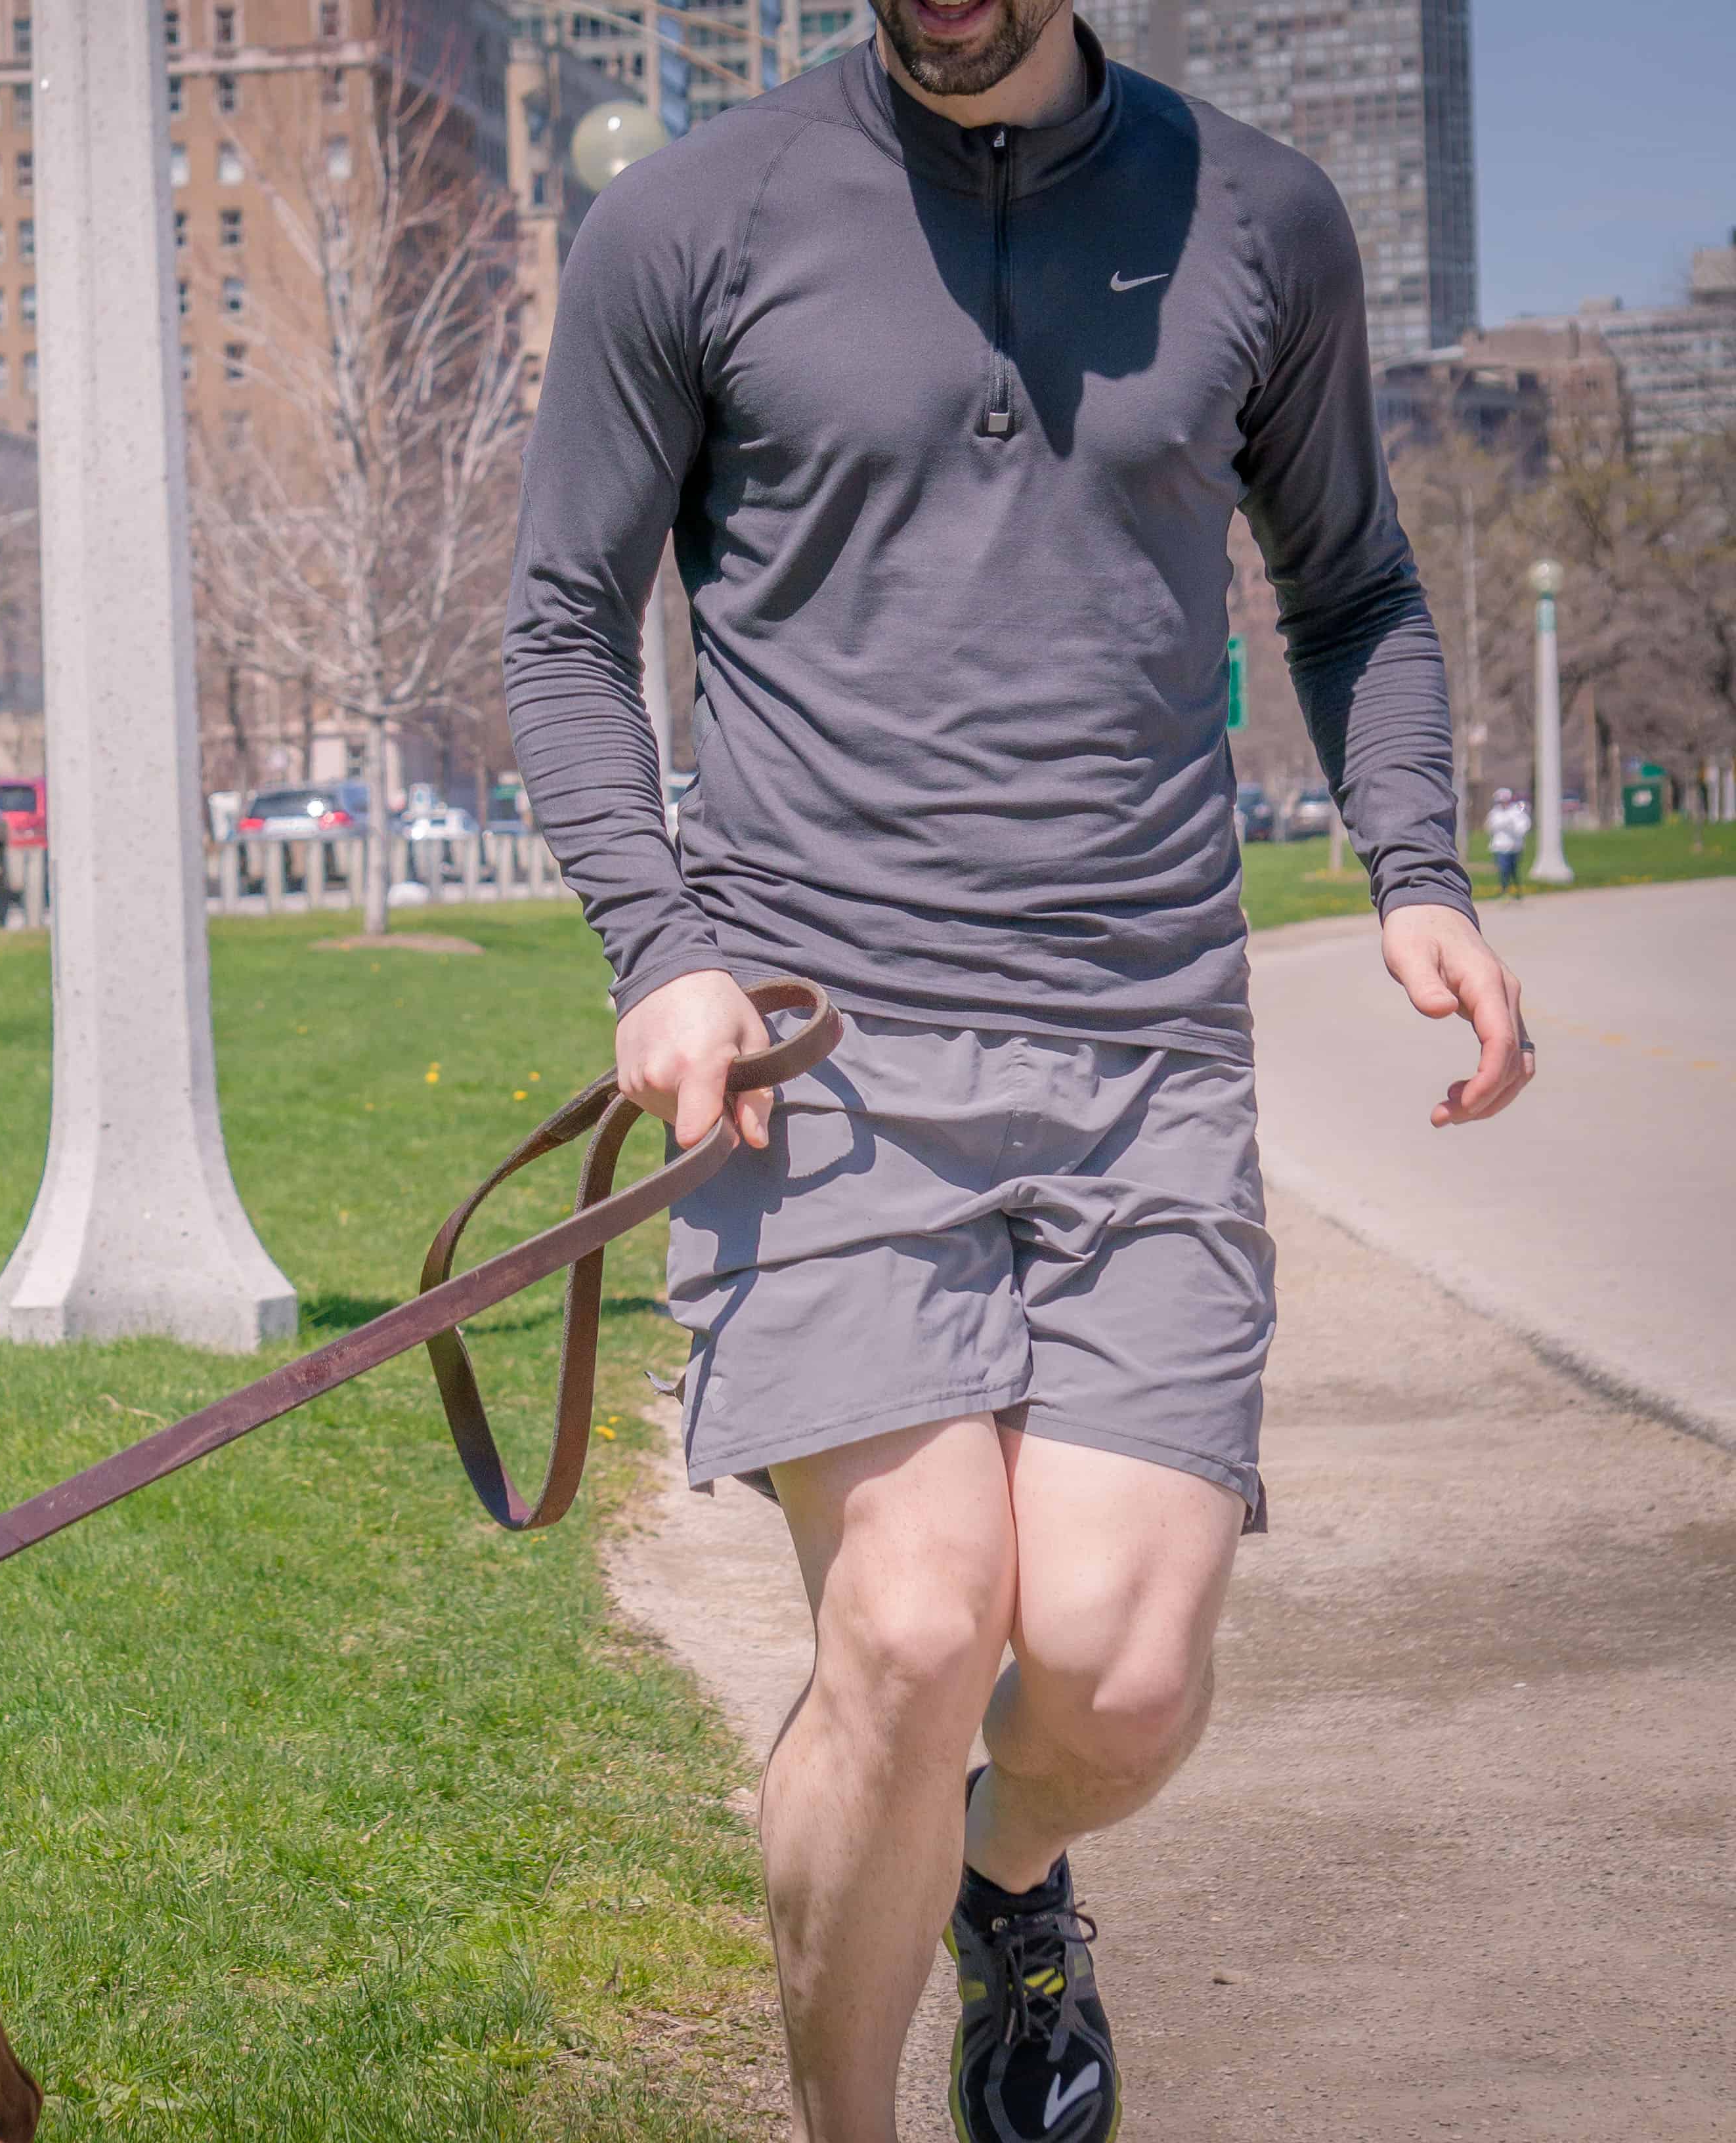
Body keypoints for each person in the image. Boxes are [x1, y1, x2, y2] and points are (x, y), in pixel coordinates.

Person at [500, 5, 1535, 2139]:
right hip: (819, 1039)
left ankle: (1004, 1877)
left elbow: (1354, 585)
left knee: (1118, 1683)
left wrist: (1415, 861)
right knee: (901, 1627)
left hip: (1140, 1040)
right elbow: (560, 624)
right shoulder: (690, 220)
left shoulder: (1258, 215)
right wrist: (661, 946)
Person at [1486, 787, 1533, 899]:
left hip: (1515, 846)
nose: (1503, 803)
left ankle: (1517, 892)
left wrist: (1515, 828)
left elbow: (1524, 825)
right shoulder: (1495, 812)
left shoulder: (1517, 811)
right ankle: (1504, 891)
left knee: (1514, 870)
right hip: (1500, 846)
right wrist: (1504, 824)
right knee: (1503, 869)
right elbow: (1491, 826)